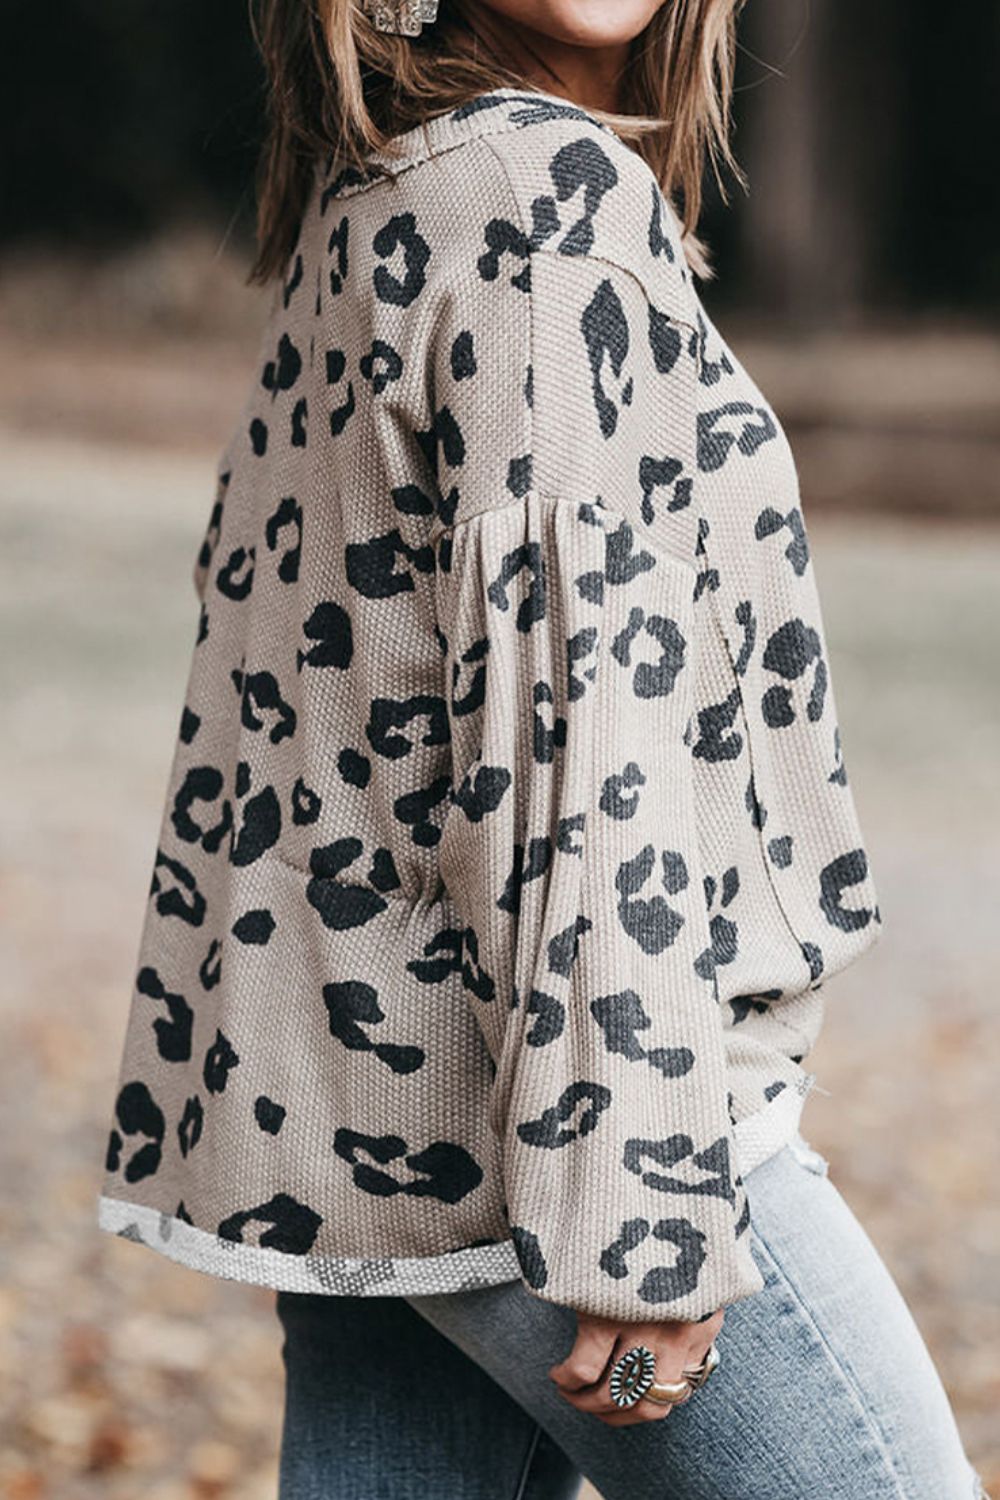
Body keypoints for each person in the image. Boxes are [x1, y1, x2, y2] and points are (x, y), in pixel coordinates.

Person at [94, 1, 989, 1495]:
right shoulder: (546, 205)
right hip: (578, 1133)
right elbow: (581, 729)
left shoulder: (388, 194)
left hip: (375, 1143)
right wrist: (640, 1224)